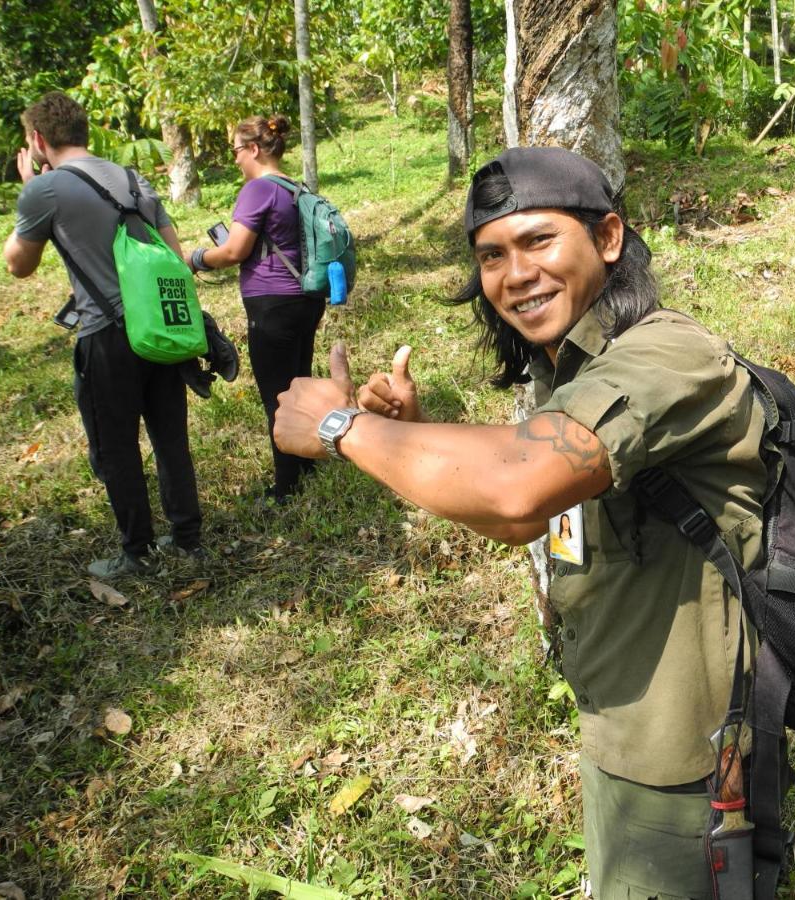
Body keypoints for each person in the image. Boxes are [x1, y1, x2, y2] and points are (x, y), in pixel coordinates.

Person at [272, 147, 767, 898]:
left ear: (607, 238)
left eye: (540, 241)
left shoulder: (669, 354)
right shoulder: (571, 370)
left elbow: (516, 487)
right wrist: (415, 433)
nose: (516, 274)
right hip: (622, 721)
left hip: (684, 750)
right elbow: (523, 517)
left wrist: (342, 427)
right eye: (492, 255)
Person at [2, 91, 203, 578]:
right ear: (85, 130)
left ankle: (136, 551)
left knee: (115, 447)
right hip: (159, 329)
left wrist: (30, 186)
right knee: (169, 437)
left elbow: (17, 265)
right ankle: (187, 540)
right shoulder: (135, 180)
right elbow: (175, 259)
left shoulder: (45, 191)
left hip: (104, 335)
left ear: (37, 139)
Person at [185, 114, 324, 504]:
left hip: (271, 305)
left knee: (276, 397)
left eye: (235, 151)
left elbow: (233, 251)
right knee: (299, 385)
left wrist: (194, 257)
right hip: (306, 299)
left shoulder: (257, 190)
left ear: (253, 149)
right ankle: (307, 465)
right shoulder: (296, 186)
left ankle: (286, 487)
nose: (234, 160)